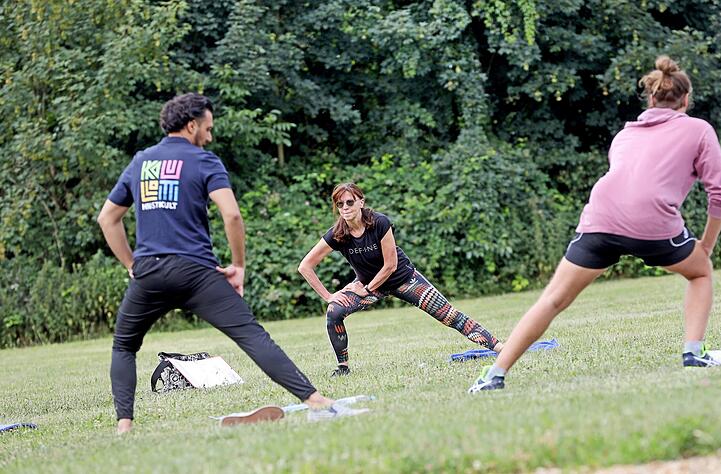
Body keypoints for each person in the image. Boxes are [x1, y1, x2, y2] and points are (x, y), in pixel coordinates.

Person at [98, 93, 364, 433]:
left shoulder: (140, 163)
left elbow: (108, 218)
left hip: (149, 271)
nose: (209, 136)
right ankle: (317, 403)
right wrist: (238, 265)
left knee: (124, 345)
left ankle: (124, 427)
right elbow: (232, 215)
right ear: (191, 125)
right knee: (252, 336)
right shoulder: (203, 160)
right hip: (196, 272)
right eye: (207, 129)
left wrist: (131, 265)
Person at [468, 56, 721, 392]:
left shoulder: (624, 135)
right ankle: (694, 353)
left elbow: (626, 181)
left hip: (600, 217)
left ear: (651, 98)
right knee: (700, 271)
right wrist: (706, 247)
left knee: (552, 299)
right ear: (685, 100)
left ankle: (494, 374)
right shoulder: (698, 129)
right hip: (652, 223)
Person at [298, 183, 504, 376]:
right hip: (369, 284)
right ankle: (343, 367)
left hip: (403, 278)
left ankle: (500, 348)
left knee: (450, 316)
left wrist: (367, 289)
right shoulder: (337, 234)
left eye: (350, 202)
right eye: (339, 204)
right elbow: (305, 266)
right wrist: (329, 296)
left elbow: (390, 266)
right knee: (334, 312)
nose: (345, 207)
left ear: (361, 202)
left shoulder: (379, 222)